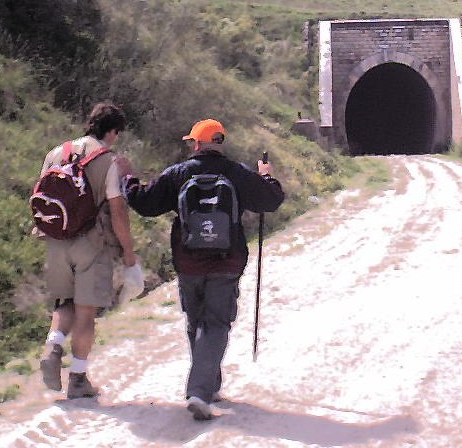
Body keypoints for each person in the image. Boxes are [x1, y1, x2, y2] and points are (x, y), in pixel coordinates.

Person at [120, 119, 284, 420]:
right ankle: (201, 390)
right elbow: (271, 200)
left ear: (196, 143)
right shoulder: (236, 173)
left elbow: (144, 203)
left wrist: (127, 178)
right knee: (216, 324)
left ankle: (207, 387)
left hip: (188, 262)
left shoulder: (179, 174)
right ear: (220, 143)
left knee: (197, 323)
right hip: (227, 262)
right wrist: (267, 177)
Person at [38, 101, 139, 399]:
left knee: (64, 302)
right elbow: (117, 212)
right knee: (86, 312)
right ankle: (78, 379)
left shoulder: (56, 152)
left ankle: (53, 346)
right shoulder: (108, 160)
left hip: (56, 240)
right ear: (113, 131)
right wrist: (128, 253)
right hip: (91, 244)